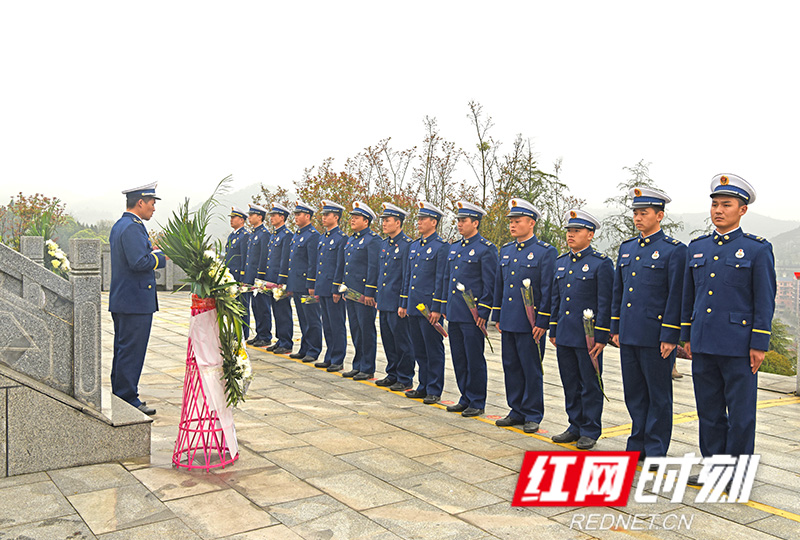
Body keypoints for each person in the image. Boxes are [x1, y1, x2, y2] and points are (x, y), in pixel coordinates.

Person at [681, 174, 775, 484]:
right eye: (715, 205)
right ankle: (714, 467)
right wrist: (686, 336)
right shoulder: (698, 248)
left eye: (726, 205)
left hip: (738, 345)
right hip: (704, 343)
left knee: (741, 415)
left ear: (742, 210)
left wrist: (759, 343)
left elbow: (764, 300)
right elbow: (688, 297)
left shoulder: (756, 250)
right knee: (709, 412)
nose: (718, 210)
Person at [610, 188, 686, 461]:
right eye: (635, 213)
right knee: (635, 394)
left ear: (660, 215)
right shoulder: (627, 248)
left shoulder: (674, 251)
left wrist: (670, 335)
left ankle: (655, 449)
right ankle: (637, 444)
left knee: (659, 396)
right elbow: (619, 292)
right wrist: (615, 328)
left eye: (644, 213)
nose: (638, 218)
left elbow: (676, 296)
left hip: (656, 337)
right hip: (629, 334)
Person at [549, 209, 613, 450]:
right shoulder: (561, 262)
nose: (571, 235)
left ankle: (590, 429)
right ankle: (574, 425)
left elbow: (605, 302)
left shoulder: (601, 264)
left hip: (588, 338)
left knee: (590, 383)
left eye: (577, 231)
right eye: (569, 231)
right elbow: (557, 299)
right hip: (565, 334)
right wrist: (553, 329)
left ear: (591, 234)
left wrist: (601, 335)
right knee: (570, 383)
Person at [492, 199, 557, 433]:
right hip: (509, 319)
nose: (512, 225)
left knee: (531, 368)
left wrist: (542, 321)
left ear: (531, 223)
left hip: (530, 324)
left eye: (517, 221)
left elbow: (548, 289)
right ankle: (516, 409)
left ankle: (533, 413)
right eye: (511, 221)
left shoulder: (545, 252)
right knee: (511, 366)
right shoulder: (507, 250)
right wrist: (497, 314)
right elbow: (501, 285)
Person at [109, 181, 166, 416]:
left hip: (127, 300)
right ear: (140, 202)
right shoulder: (132, 227)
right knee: (131, 351)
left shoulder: (123, 224)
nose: (154, 208)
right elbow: (139, 262)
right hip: (134, 302)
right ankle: (127, 397)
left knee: (124, 350)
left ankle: (122, 393)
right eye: (152, 203)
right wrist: (163, 256)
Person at [441, 201, 497, 417]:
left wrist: (483, 311)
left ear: (476, 222)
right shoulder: (454, 248)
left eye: (463, 221)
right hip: (455, 312)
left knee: (474, 358)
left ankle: (477, 401)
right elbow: (448, 279)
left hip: (472, 315)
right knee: (459, 357)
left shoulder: (486, 249)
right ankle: (465, 396)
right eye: (458, 220)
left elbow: (489, 283)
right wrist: (445, 306)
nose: (459, 224)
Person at [400, 201, 449, 404]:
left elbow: (441, 279)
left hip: (430, 309)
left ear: (434, 222)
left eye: (423, 219)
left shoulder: (441, 247)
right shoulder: (414, 247)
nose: (419, 222)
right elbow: (408, 277)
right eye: (418, 219)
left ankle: (434, 389)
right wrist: (404, 303)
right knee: (419, 348)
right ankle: (423, 385)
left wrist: (437, 307)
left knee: (433, 349)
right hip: (414, 306)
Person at [375, 203, 415, 392]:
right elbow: (381, 274)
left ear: (398, 223)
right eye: (383, 220)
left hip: (397, 302)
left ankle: (405, 377)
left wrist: (404, 301)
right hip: (384, 300)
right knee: (388, 340)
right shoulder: (384, 244)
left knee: (402, 342)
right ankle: (392, 373)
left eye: (387, 220)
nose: (383, 223)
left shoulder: (407, 245)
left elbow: (407, 275)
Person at [342, 201, 380, 380]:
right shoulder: (352, 239)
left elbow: (373, 268)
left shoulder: (373, 240)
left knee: (366, 330)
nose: (352, 220)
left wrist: (369, 293)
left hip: (363, 294)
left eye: (356, 218)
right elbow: (347, 266)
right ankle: (357, 364)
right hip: (350, 292)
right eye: (352, 218)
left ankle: (368, 367)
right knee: (356, 329)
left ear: (366, 221)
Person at [313, 200, 348, 371]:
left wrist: (337, 289)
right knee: (327, 324)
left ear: (336, 217)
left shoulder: (342, 239)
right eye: (323, 215)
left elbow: (340, 266)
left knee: (336, 324)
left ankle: (338, 358)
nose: (323, 218)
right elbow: (320, 265)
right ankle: (329, 355)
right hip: (323, 286)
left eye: (327, 215)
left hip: (333, 289)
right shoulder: (322, 238)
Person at [287, 201, 322, 362]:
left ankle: (313, 349)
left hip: (307, 286)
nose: (295, 217)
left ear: (307, 216)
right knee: (302, 317)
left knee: (311, 318)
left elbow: (313, 262)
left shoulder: (313, 236)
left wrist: (311, 284)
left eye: (298, 214)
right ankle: (305, 347)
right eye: (295, 214)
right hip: (297, 284)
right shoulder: (298, 234)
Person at [265, 203, 294, 354]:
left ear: (282, 217)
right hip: (271, 280)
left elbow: (285, 259)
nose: (271, 218)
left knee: (283, 311)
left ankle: (286, 342)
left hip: (279, 280)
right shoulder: (274, 235)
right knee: (276, 311)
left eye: (274, 215)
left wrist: (282, 280)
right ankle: (280, 339)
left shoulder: (287, 235)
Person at [243, 204, 272, 348]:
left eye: (251, 215)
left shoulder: (265, 234)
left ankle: (265, 336)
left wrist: (260, 278)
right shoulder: (254, 234)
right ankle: (260, 334)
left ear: (259, 217)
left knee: (263, 306)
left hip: (260, 278)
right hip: (252, 277)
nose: (249, 217)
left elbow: (263, 257)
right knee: (255, 306)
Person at [225, 206, 250, 338]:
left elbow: (245, 257)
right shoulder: (232, 235)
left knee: (242, 306)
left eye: (234, 218)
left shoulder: (245, 236)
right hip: (230, 277)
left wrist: (243, 277)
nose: (231, 220)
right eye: (231, 218)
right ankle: (235, 330)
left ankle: (243, 333)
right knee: (233, 305)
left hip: (239, 277)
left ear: (241, 220)